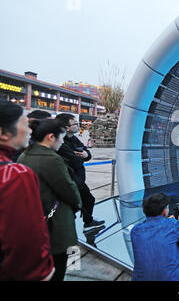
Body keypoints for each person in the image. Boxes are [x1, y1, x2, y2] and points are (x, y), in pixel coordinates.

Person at [17, 119, 82, 281]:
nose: (62, 142)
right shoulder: (52, 159)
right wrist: (78, 204)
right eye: (61, 138)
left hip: (37, 220)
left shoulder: (24, 156)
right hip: (57, 222)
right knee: (61, 264)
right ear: (51, 137)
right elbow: (68, 189)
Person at [0, 101, 55, 281]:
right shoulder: (15, 175)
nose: (30, 130)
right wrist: (42, 273)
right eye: (24, 124)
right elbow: (25, 241)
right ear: (3, 133)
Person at [55, 113, 104, 232]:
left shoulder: (73, 138)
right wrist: (81, 156)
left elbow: (85, 153)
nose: (78, 125)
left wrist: (85, 155)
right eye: (75, 123)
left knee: (88, 200)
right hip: (70, 180)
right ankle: (68, 231)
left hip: (78, 180)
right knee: (73, 206)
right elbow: (75, 161)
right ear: (67, 127)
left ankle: (88, 222)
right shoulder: (61, 143)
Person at [131, 193, 179, 281]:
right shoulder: (173, 224)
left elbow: (155, 236)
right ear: (165, 212)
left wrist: (167, 222)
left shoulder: (135, 230)